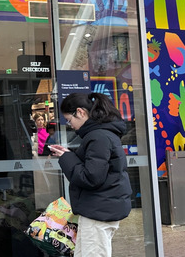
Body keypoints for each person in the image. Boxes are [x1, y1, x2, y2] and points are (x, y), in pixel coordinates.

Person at [47, 92, 131, 257]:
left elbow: (91, 177)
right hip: (102, 208)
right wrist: (68, 155)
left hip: (98, 212)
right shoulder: (103, 134)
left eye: (70, 120)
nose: (70, 125)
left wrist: (67, 158)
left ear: (81, 112)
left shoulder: (98, 136)